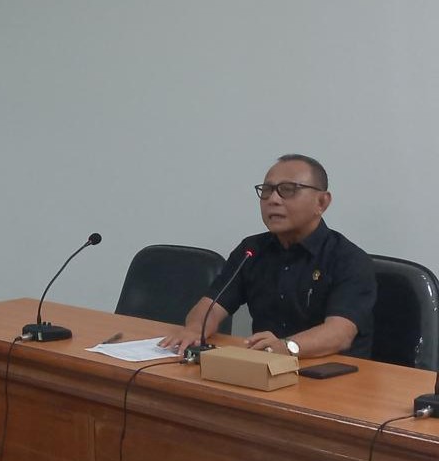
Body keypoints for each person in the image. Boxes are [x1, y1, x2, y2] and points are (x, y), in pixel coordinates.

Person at [159, 154, 376, 359]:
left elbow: (339, 334)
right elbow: (211, 306)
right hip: (265, 366)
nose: (273, 199)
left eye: (288, 190)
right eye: (267, 190)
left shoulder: (349, 259)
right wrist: (195, 328)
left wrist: (287, 347)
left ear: (321, 202)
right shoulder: (251, 251)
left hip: (330, 373)